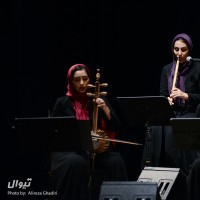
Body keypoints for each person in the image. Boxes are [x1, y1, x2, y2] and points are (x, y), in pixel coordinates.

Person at [50, 63, 128, 200]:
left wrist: (105, 109)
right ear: (70, 81)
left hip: (96, 151)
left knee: (116, 161)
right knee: (76, 162)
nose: (82, 83)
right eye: (77, 80)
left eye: (85, 79)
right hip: (70, 151)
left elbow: (116, 127)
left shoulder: (98, 99)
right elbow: (56, 134)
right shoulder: (62, 103)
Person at [141, 33, 200, 176]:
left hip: (190, 111)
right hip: (172, 111)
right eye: (176, 49)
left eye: (183, 50)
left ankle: (185, 173)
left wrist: (184, 95)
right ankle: (157, 172)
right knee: (156, 127)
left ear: (189, 50)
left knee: (181, 125)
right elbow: (162, 95)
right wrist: (166, 100)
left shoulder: (197, 68)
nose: (179, 53)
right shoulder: (167, 69)